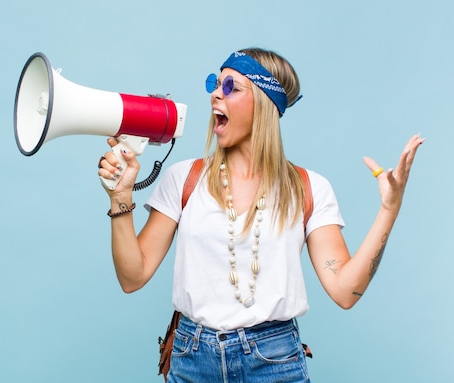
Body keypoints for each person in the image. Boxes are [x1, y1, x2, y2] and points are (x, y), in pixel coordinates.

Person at [97, 47, 424, 382]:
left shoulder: (309, 188)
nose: (214, 95)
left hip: (274, 360)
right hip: (191, 358)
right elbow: (132, 277)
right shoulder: (184, 179)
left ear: (265, 104)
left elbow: (345, 291)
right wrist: (121, 197)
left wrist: (389, 209)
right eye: (215, 83)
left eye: (230, 87)